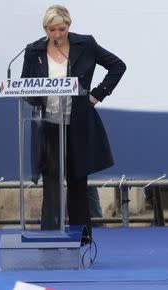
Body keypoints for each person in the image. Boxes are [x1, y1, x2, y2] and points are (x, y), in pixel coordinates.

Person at [21, 5, 126, 237]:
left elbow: (118, 66)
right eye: (51, 29)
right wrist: (37, 96)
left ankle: (82, 239)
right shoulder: (33, 50)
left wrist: (97, 94)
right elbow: (25, 85)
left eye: (62, 28)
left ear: (69, 25)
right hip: (49, 125)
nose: (57, 34)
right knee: (51, 185)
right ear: (44, 28)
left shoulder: (85, 44)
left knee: (78, 184)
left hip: (77, 124)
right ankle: (49, 240)